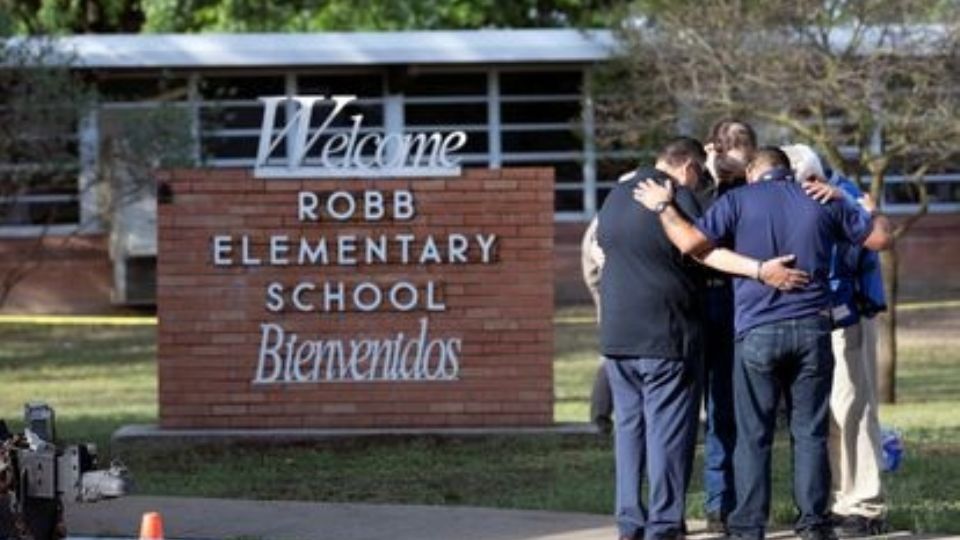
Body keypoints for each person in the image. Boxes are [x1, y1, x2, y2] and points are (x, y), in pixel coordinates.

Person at [632, 147, 893, 540]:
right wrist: (865, 206)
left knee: (753, 433)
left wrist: (663, 207)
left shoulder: (736, 200)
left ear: (754, 173)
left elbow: (690, 243)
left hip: (756, 333)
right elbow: (880, 240)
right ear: (788, 173)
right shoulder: (821, 198)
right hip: (814, 330)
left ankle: (748, 526)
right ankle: (813, 524)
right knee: (810, 433)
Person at [597, 138, 807, 540]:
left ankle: (629, 521)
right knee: (668, 434)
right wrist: (760, 270)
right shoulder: (677, 197)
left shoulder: (614, 197)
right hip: (667, 335)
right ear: (690, 168)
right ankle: (663, 523)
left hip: (617, 336)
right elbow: (704, 250)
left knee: (629, 432)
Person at [782, 144, 890, 537]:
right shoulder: (796, 191)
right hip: (806, 319)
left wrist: (851, 204)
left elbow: (875, 238)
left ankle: (863, 505)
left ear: (811, 178)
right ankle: (825, 503)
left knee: (852, 410)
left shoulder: (842, 193)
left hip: (848, 316)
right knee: (820, 415)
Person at [699, 120, 758, 532]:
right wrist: (708, 176)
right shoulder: (698, 188)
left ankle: (728, 502)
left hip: (742, 301)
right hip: (701, 301)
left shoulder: (758, 188)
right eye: (725, 144)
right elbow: (693, 235)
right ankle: (712, 500)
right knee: (699, 408)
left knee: (731, 405)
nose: (731, 152)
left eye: (740, 144)